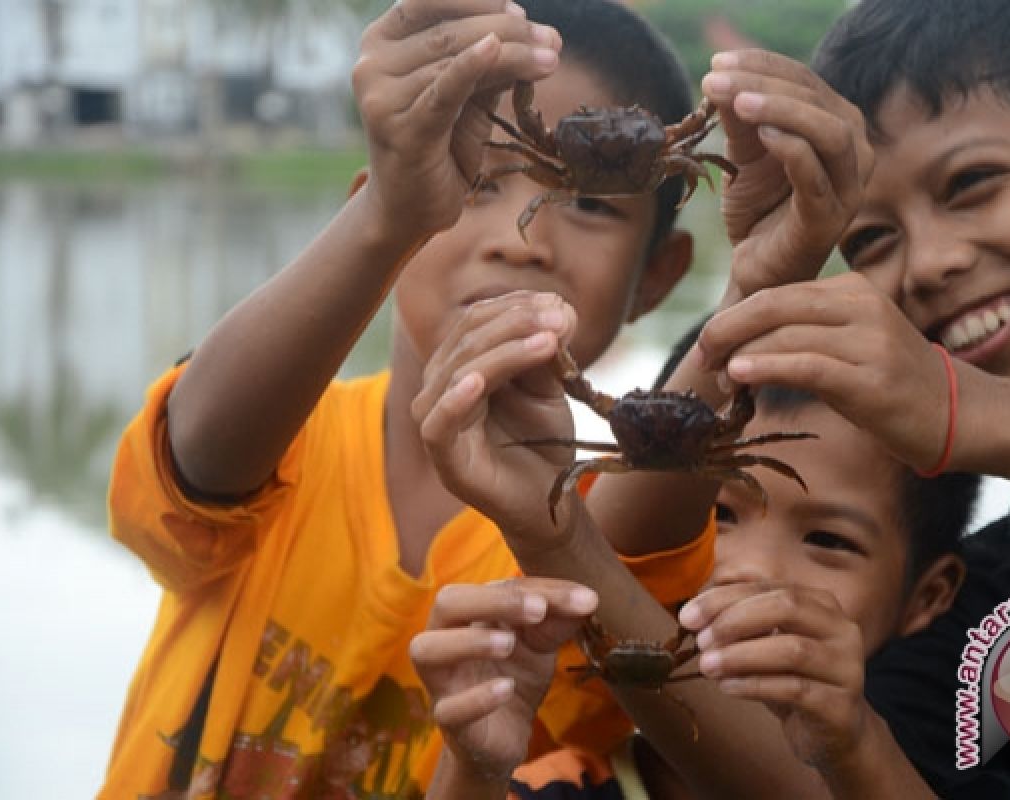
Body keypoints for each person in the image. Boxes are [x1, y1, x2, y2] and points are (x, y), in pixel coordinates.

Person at [99, 1, 720, 796]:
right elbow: (193, 460)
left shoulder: (591, 532)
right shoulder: (280, 438)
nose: (522, 238)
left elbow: (642, 595)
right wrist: (387, 218)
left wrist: (764, 283)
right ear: (379, 211)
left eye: (592, 203)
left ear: (659, 277)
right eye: (471, 182)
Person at [693, 0, 1010, 796]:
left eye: (972, 183)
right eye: (872, 241)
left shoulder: (977, 424)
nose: (925, 267)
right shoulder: (975, 609)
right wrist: (753, 283)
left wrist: (970, 411)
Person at [410, 376, 980, 799]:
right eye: (718, 516)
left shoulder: (949, 773)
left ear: (928, 596)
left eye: (829, 541)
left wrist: (853, 747)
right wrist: (474, 770)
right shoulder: (563, 785)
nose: (749, 570)